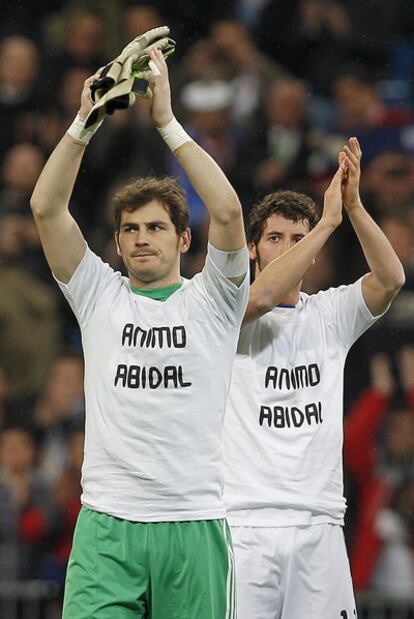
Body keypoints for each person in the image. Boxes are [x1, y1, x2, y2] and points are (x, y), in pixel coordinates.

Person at [30, 38, 249, 618]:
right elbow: (47, 208)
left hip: (193, 522)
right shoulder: (98, 293)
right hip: (108, 524)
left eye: (155, 227)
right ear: (119, 241)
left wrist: (169, 124)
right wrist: (84, 121)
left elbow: (227, 213)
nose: (141, 237)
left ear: (183, 240)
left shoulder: (216, 299)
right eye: (130, 229)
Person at [223, 137, 405, 618]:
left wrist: (354, 206)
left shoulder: (329, 315)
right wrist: (325, 223)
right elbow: (259, 299)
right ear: (252, 250)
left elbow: (390, 279)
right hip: (243, 525)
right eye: (275, 239)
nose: (287, 250)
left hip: (320, 523)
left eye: (299, 241)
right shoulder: (224, 315)